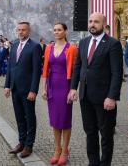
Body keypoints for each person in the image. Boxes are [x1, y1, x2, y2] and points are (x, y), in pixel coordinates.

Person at [67, 13, 123, 166]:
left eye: (96, 22)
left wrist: (112, 97)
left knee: (106, 135)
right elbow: (78, 67)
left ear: (104, 24)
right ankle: (93, 162)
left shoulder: (113, 44)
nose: (92, 24)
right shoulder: (83, 42)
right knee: (90, 132)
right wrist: (73, 88)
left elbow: (117, 73)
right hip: (85, 96)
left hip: (105, 99)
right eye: (90, 21)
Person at [42, 23, 77, 165]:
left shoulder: (72, 49)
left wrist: (73, 89)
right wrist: (44, 88)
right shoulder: (49, 48)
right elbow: (45, 69)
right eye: (55, 30)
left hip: (66, 86)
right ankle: (57, 149)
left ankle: (65, 150)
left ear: (65, 31)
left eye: (59, 30)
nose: (56, 32)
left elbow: (75, 71)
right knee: (55, 120)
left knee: (65, 120)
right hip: (52, 86)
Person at [4, 22, 42, 158]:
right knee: (19, 117)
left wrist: (33, 90)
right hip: (15, 89)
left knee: (30, 118)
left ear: (29, 31)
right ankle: (21, 142)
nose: (21, 32)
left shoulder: (35, 47)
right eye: (19, 30)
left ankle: (29, 146)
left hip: (27, 90)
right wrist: (7, 85)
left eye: (23, 30)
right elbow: (10, 68)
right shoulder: (14, 45)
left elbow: (36, 71)